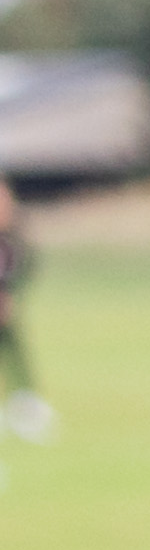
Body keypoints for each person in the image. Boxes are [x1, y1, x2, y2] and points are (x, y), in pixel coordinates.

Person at [0, 179, 49, 440]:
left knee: (15, 358)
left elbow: (23, 267)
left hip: (5, 313)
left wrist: (10, 296)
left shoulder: (14, 239)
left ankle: (26, 408)